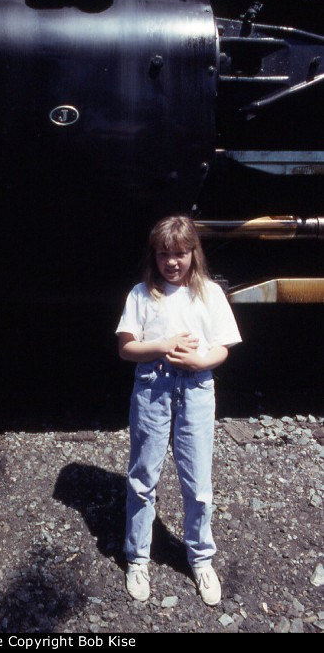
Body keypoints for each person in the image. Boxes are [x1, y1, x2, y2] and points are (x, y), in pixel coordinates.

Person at [116, 215, 241, 605]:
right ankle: (138, 557)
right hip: (152, 389)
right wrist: (164, 345)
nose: (172, 262)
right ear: (153, 256)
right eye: (164, 254)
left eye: (180, 254)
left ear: (193, 254)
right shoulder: (141, 294)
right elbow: (126, 347)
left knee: (198, 482)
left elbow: (222, 346)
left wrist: (201, 361)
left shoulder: (210, 294)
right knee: (143, 477)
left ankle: (201, 559)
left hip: (197, 390)